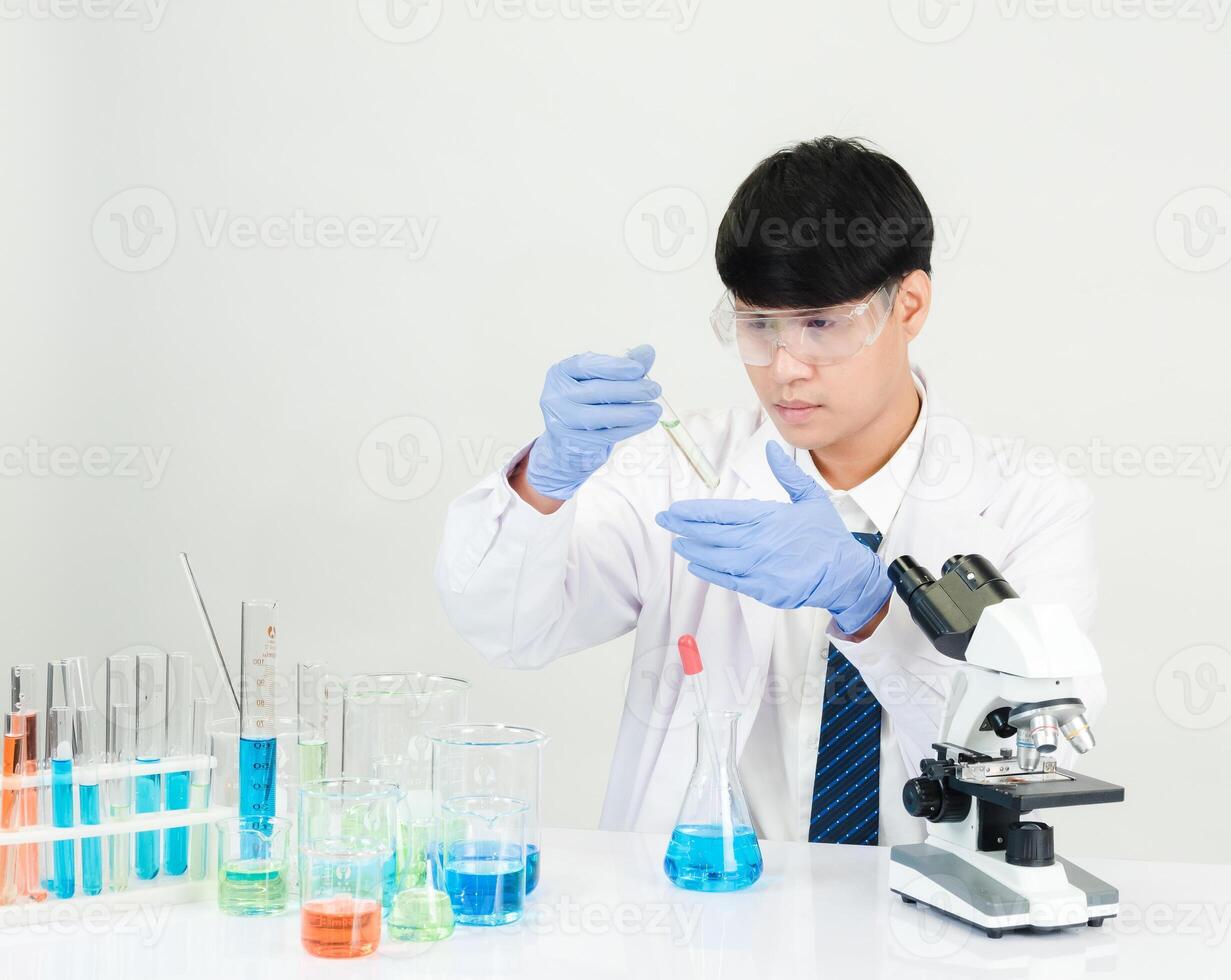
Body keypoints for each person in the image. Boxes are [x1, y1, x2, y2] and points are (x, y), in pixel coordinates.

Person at [435, 137, 1103, 847]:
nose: (784, 367)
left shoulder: (1026, 503)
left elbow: (1033, 762)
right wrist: (544, 479)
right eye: (758, 325)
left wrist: (872, 610)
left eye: (820, 325)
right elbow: (508, 631)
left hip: (925, 925)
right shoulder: (677, 470)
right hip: (702, 918)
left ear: (908, 305)